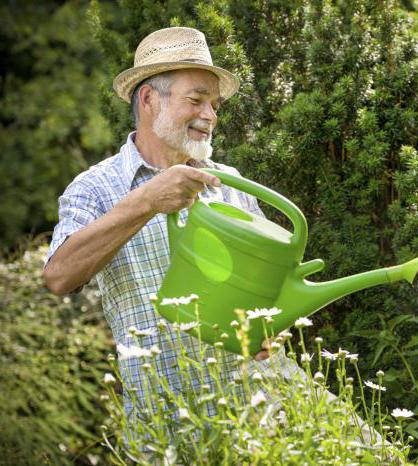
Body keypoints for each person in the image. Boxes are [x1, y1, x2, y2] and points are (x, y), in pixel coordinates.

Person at [43, 26, 299, 418]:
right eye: (196, 100)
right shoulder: (95, 187)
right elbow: (59, 276)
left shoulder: (230, 183)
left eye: (215, 105)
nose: (210, 115)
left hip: (262, 407)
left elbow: (269, 288)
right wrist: (144, 201)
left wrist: (272, 324)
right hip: (166, 417)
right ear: (148, 99)